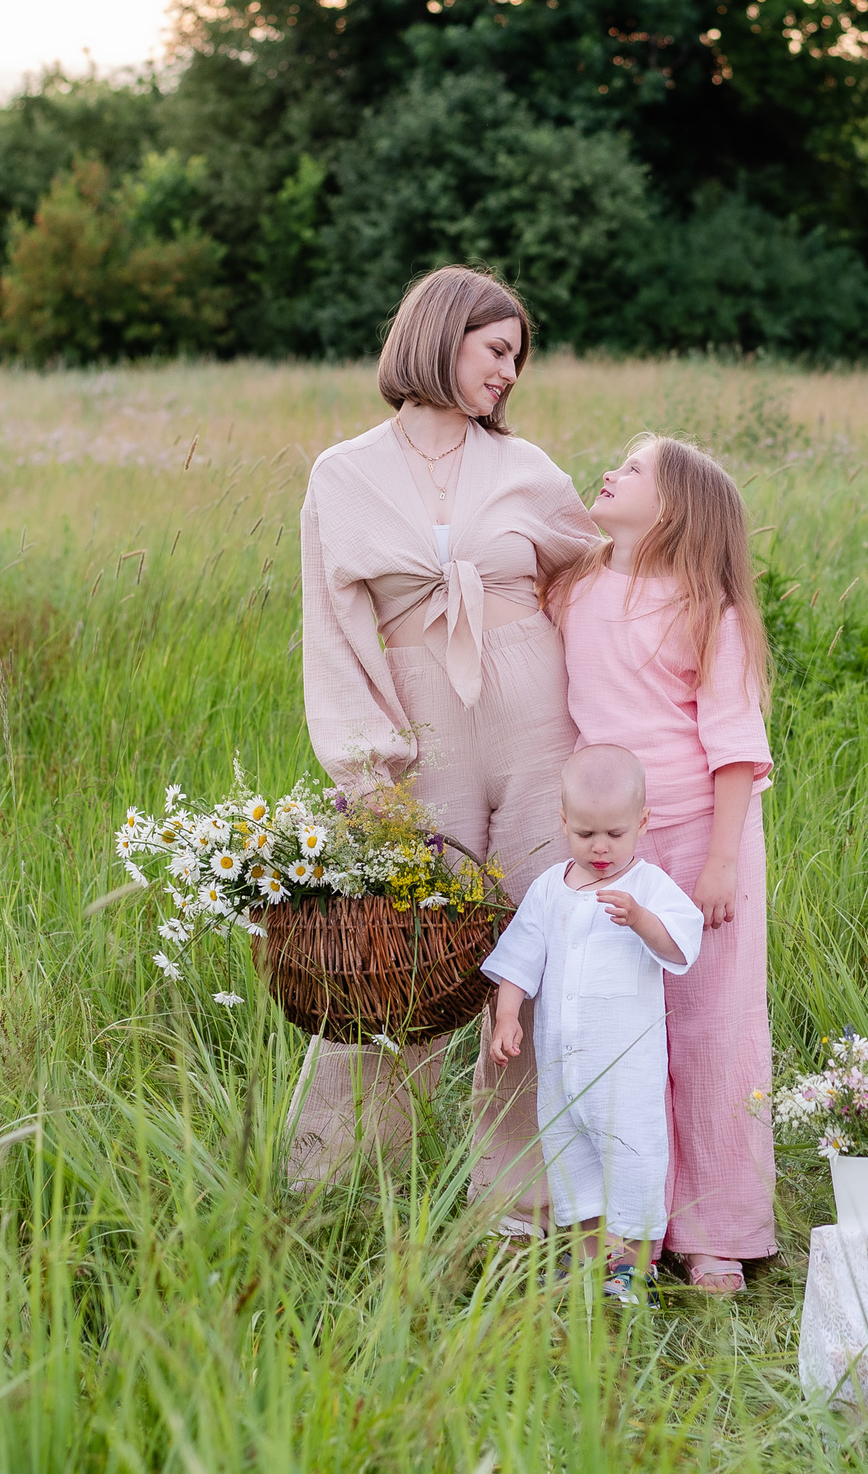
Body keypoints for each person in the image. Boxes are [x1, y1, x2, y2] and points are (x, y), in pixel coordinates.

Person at [295, 265, 600, 1216]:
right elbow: (334, 635)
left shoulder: (527, 469)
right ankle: (337, 1188)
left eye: (517, 358)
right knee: (396, 959)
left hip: (541, 729)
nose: (509, 373)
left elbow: (591, 580)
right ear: (439, 335)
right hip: (422, 742)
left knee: (542, 956)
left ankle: (522, 1205)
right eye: (497, 351)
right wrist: (366, 773)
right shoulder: (342, 475)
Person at [548, 434, 776, 1292]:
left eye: (634, 468)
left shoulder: (705, 609)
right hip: (613, 838)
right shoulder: (576, 587)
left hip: (700, 837)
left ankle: (719, 1226)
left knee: (711, 1029)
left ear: (673, 508)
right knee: (624, 1024)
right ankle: (632, 1216)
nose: (609, 470)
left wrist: (719, 864)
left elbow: (732, 750)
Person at [482, 746, 704, 1304]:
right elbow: (520, 957)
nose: (600, 848)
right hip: (563, 1065)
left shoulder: (648, 886)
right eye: (585, 835)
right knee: (570, 1157)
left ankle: (633, 1272)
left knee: (631, 1156)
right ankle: (588, 1265)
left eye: (614, 833)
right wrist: (508, 1015)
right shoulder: (549, 889)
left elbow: (681, 942)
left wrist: (642, 921)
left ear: (642, 824)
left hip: (623, 1068)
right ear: (563, 823)